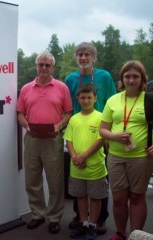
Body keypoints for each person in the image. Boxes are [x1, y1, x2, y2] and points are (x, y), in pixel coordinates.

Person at [17, 51, 72, 234]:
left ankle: (54, 217)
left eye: (48, 65)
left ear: (53, 68)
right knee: (32, 180)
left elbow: (68, 113)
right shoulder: (26, 88)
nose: (44, 68)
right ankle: (38, 214)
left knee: (55, 181)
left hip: (52, 140)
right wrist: (26, 125)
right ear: (36, 66)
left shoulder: (62, 88)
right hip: (32, 139)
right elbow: (20, 113)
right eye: (41, 64)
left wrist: (59, 125)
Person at [65, 42, 117, 234]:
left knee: (99, 178)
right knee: (78, 180)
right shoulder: (70, 78)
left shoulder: (104, 76)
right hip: (78, 128)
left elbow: (113, 102)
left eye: (87, 54)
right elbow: (67, 106)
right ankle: (80, 216)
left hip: (101, 130)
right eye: (80, 54)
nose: (83, 58)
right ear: (76, 57)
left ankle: (100, 218)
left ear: (93, 57)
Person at [99, 60, 153, 240]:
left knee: (137, 197)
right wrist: (114, 137)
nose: (131, 80)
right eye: (127, 76)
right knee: (119, 199)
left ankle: (135, 236)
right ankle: (121, 233)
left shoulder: (149, 99)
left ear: (142, 78)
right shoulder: (113, 100)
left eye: (135, 76)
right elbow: (103, 128)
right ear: (122, 79)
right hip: (115, 156)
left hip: (141, 157)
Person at [63, 84, 108, 240]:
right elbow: (68, 140)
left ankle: (93, 226)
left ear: (95, 98)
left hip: (95, 168)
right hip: (76, 167)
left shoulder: (101, 117)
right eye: (83, 97)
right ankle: (84, 224)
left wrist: (83, 157)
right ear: (78, 99)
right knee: (81, 197)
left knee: (95, 198)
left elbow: (100, 140)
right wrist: (75, 156)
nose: (86, 100)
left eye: (90, 97)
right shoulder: (74, 119)